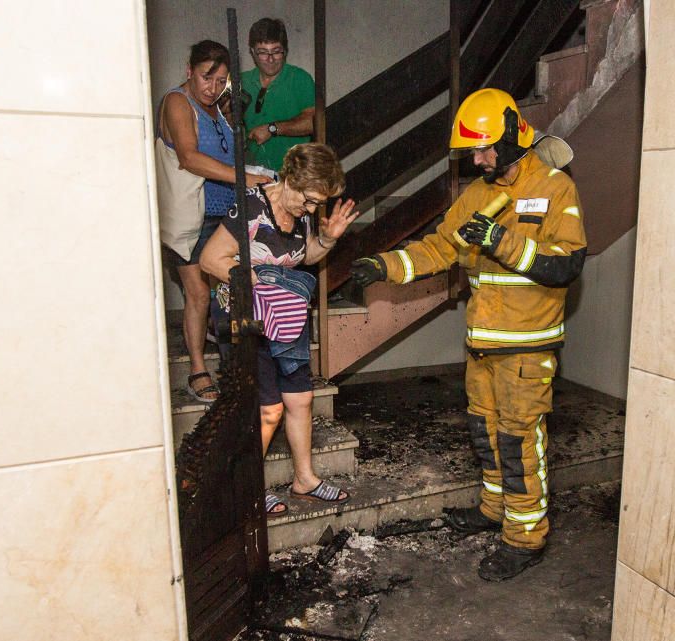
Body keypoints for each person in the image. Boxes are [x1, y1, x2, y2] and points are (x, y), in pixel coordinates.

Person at [350, 88, 587, 581]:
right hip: (483, 344)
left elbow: (566, 265)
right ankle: (493, 509)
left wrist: (500, 240)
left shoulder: (556, 187)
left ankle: (525, 538)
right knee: (486, 433)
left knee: (520, 441)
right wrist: (385, 265)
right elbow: (440, 248)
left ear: (509, 135)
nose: (476, 160)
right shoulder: (478, 194)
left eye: (482, 149)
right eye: (471, 151)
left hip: (527, 346)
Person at [200, 143, 360, 517]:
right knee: (269, 408)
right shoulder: (252, 206)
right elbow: (210, 259)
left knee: (301, 399)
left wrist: (328, 238)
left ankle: (304, 478)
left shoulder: (300, 211)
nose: (311, 209)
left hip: (286, 318)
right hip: (249, 318)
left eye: (316, 204)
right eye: (308, 201)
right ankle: (247, 488)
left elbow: (304, 256)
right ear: (289, 180)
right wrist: (260, 279)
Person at [157, 40, 268, 404]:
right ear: (189, 69)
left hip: (223, 214)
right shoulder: (177, 102)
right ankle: (196, 369)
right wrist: (244, 178)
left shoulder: (216, 109)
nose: (213, 87)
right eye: (207, 77)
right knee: (199, 294)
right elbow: (188, 158)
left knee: (226, 293)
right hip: (192, 215)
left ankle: (232, 367)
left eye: (221, 81)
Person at [241, 18, 315, 172]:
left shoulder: (300, 78)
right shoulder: (242, 81)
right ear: (252, 52)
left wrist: (272, 129)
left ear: (285, 51)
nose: (270, 59)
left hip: (294, 174)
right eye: (263, 52)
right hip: (253, 174)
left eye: (276, 51)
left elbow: (312, 122)